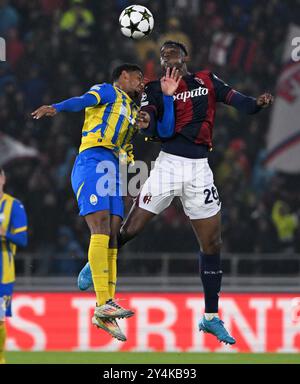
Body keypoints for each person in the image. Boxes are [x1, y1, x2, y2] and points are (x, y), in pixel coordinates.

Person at [77, 41, 274, 345]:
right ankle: (95, 262)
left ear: (185, 59)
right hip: (168, 166)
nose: (169, 61)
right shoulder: (154, 88)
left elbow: (241, 103)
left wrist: (258, 104)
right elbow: (158, 127)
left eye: (174, 56)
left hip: (200, 170)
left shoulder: (207, 80)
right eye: (164, 57)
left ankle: (210, 318)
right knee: (130, 228)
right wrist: (147, 121)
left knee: (212, 243)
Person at [31, 63, 145, 342]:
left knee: (114, 236)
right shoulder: (107, 91)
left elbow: (128, 150)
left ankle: (106, 308)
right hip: (92, 159)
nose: (142, 83)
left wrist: (130, 183)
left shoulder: (131, 111)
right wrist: (56, 107)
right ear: (124, 76)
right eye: (139, 78)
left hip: (113, 170)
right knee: (101, 228)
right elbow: (83, 100)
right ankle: (103, 300)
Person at [0, 167, 28, 364]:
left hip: (3, 272)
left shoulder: (14, 206)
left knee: (0, 319)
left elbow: (23, 239)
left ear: (3, 178)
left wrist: (4, 234)